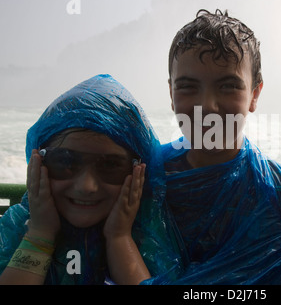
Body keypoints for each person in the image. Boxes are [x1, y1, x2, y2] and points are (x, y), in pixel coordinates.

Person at [143, 9, 281, 284]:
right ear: (171, 94)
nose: (208, 106)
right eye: (188, 87)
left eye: (228, 86)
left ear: (255, 94)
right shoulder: (146, 180)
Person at [0, 74, 185, 284]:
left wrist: (119, 238)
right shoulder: (19, 226)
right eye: (65, 162)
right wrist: (39, 234)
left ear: (139, 172)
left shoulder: (146, 233)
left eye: (110, 165)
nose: (86, 186)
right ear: (38, 165)